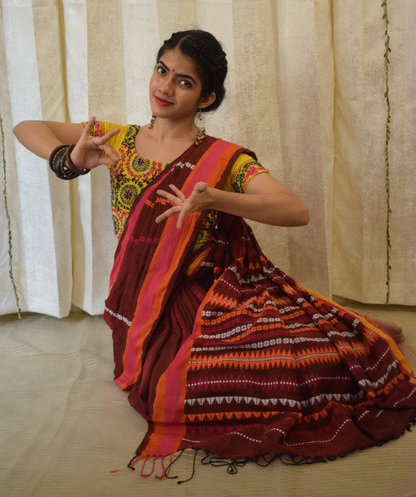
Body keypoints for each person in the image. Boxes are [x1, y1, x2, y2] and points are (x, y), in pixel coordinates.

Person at [13, 29, 416, 475]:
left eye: (184, 82)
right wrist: (68, 159)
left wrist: (216, 198)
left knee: (268, 376)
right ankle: (340, 323)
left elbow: (296, 210)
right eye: (162, 71)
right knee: (176, 383)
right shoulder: (118, 139)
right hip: (140, 297)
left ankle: (348, 331)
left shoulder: (224, 160)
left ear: (207, 98)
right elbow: (26, 126)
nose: (165, 87)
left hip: (215, 291)